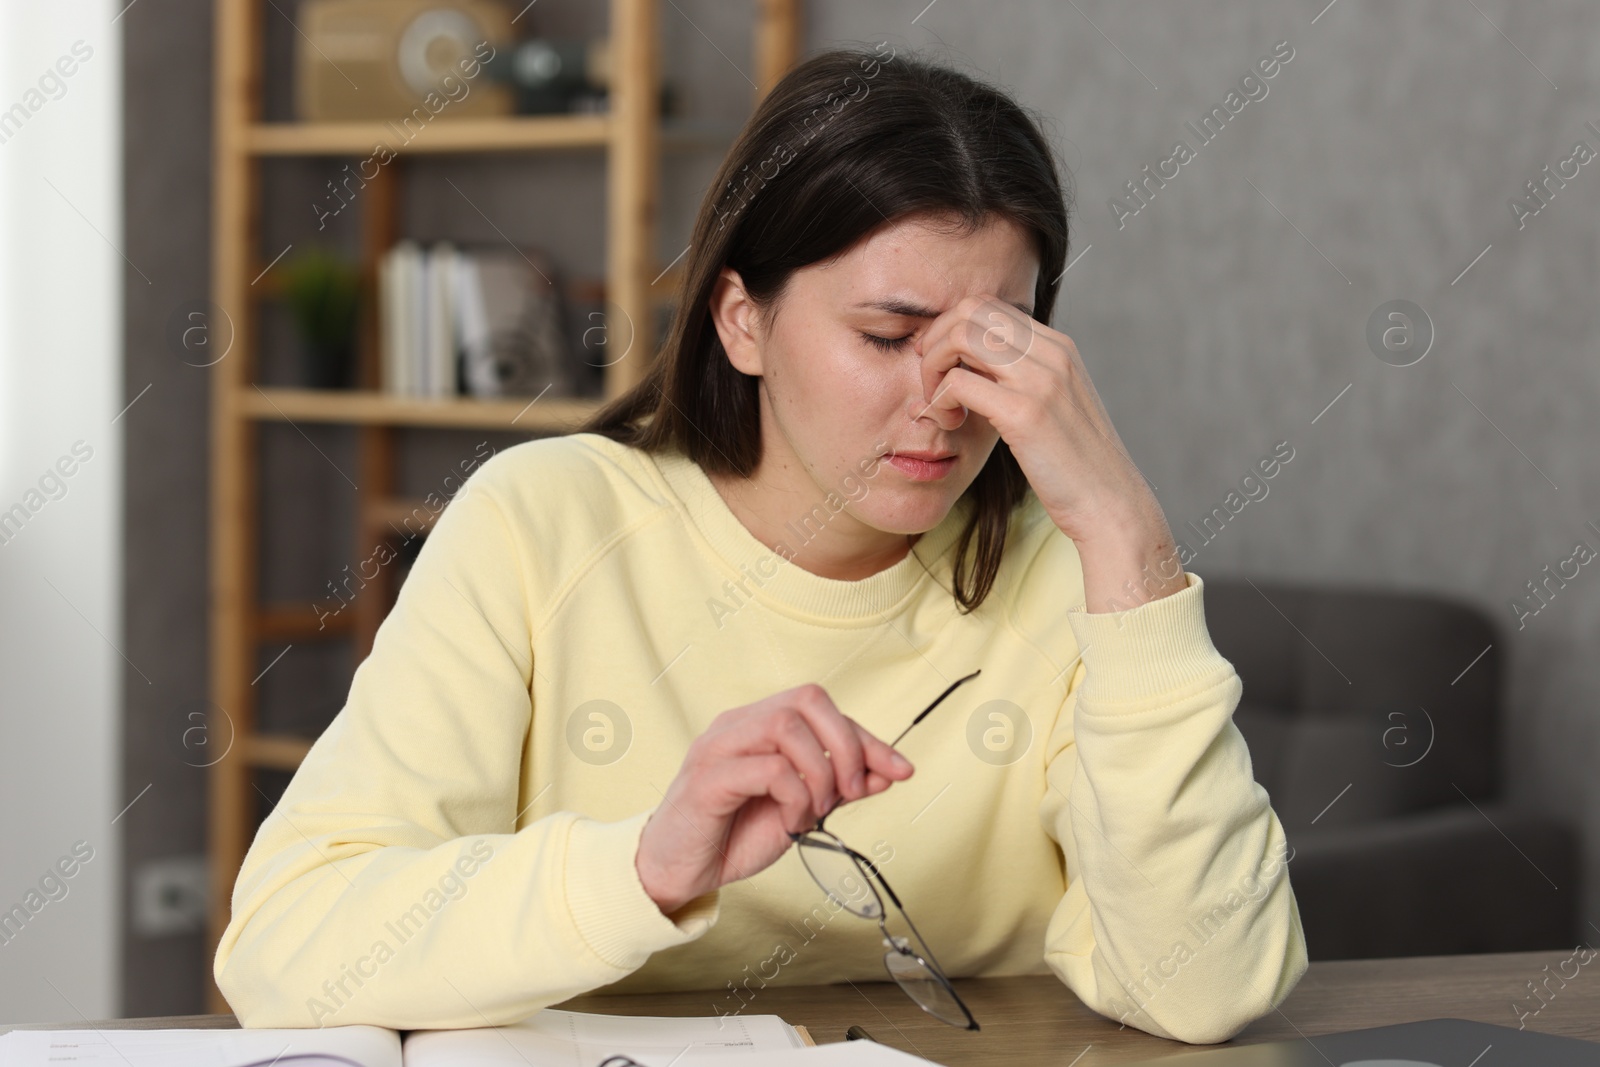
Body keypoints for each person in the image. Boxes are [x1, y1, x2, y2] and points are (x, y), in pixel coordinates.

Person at [214, 44, 1307, 1044]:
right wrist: (644, 863)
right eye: (888, 335)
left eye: (996, 343)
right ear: (742, 320)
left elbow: (1205, 986)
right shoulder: (541, 522)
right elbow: (284, 948)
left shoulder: (1077, 573)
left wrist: (1128, 535)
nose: (945, 400)